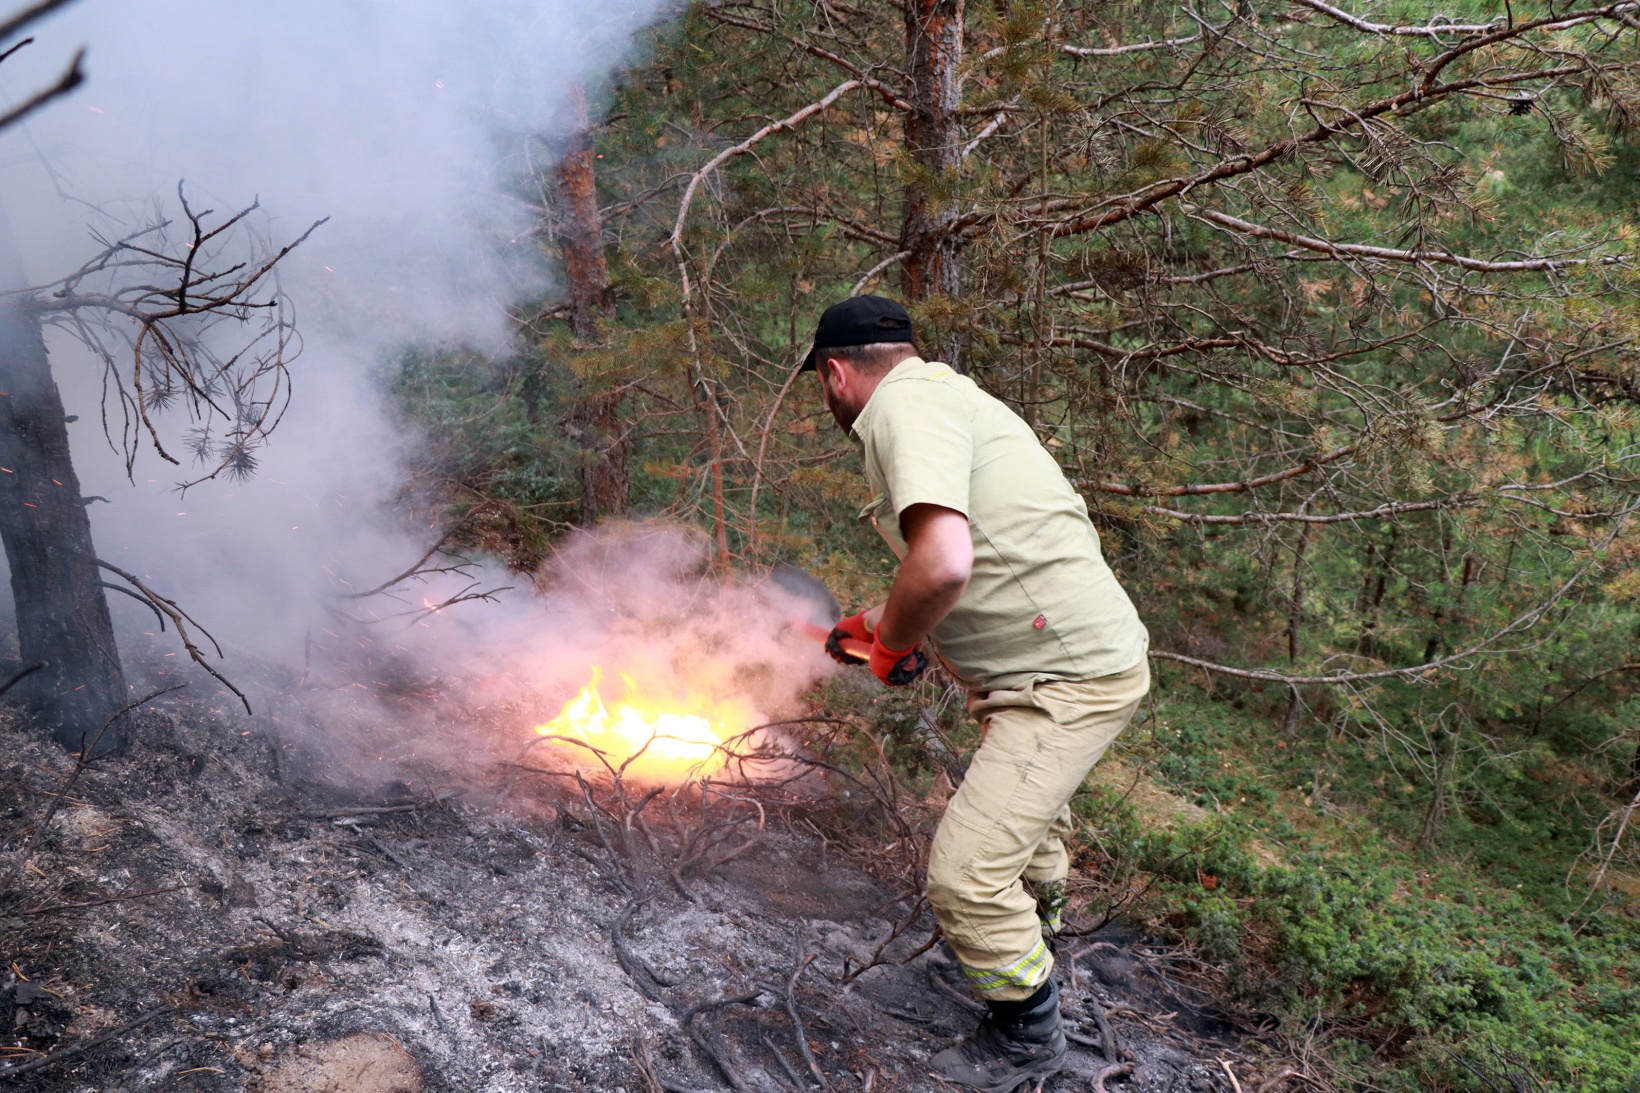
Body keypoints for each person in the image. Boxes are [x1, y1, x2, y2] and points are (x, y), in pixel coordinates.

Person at [805, 295, 1150, 1092]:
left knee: (964, 872)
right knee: (1025, 838)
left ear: (835, 372)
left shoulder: (903, 407)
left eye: (821, 387)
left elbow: (947, 562)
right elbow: (970, 553)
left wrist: (892, 646)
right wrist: (871, 622)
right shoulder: (944, 394)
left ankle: (1027, 1032)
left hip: (1064, 679)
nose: (825, 401)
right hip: (1061, 662)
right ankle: (1041, 952)